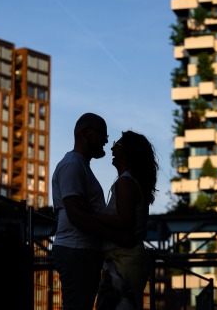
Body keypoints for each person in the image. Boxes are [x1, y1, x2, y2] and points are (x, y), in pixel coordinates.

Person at [69, 130, 159, 310]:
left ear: (127, 152)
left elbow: (124, 221)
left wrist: (91, 214)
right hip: (125, 260)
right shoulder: (131, 182)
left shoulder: (125, 183)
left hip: (123, 261)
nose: (112, 148)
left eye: (116, 145)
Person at [51, 112, 109, 310]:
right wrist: (113, 233)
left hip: (81, 250)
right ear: (85, 132)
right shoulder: (73, 165)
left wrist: (91, 213)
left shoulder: (79, 165)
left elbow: (80, 212)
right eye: (102, 134)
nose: (105, 141)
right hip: (77, 250)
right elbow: (76, 214)